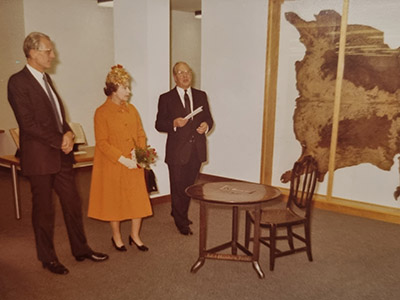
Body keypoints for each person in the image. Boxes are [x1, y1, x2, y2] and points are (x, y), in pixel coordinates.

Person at [7, 32, 109, 275]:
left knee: (73, 202)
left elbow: (57, 116)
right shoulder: (18, 82)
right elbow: (28, 123)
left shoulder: (46, 79)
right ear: (32, 53)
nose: (53, 55)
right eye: (47, 51)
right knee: (43, 210)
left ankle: (81, 249)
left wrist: (69, 134)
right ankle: (47, 257)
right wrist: (59, 140)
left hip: (60, 155)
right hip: (39, 157)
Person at [88, 65, 152, 252]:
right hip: (113, 164)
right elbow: (102, 142)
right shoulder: (101, 112)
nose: (129, 92)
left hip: (134, 163)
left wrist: (138, 153)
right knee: (114, 201)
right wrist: (122, 159)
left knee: (137, 200)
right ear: (114, 88)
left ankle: (135, 236)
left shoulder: (132, 109)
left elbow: (140, 133)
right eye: (125, 88)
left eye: (129, 87)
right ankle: (116, 236)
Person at [155, 61, 214, 235]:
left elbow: (209, 119)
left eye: (187, 72)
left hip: (197, 149)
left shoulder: (201, 95)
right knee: (178, 185)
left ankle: (178, 212)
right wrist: (174, 123)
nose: (185, 75)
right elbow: (159, 124)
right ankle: (181, 221)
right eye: (180, 73)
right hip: (177, 151)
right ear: (175, 77)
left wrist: (205, 125)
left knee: (188, 186)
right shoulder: (166, 98)